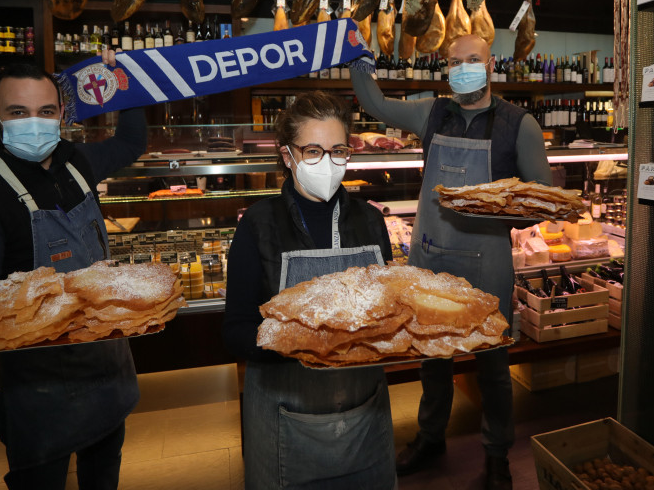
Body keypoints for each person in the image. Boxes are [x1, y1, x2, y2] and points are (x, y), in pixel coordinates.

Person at [350, 34, 552, 490]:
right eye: (455, 62)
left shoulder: (519, 125)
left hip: (488, 260)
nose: (464, 68)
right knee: (432, 357)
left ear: (491, 64)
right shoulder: (432, 111)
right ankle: (430, 437)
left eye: (473, 60)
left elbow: (543, 197)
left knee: (494, 364)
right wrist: (357, 57)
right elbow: (376, 104)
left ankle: (497, 453)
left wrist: (496, 206)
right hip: (430, 256)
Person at [0, 59, 147, 490]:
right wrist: (66, 308)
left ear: (62, 114)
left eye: (46, 112)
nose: (34, 123)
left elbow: (132, 140)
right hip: (41, 395)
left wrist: (128, 79)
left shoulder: (78, 163)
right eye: (18, 112)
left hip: (109, 374)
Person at [222, 91, 397, 489]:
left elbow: (387, 310)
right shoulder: (259, 225)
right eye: (313, 151)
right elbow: (235, 330)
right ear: (288, 156)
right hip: (286, 413)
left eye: (338, 150)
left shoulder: (371, 221)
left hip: (363, 409)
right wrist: (303, 343)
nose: (328, 162)